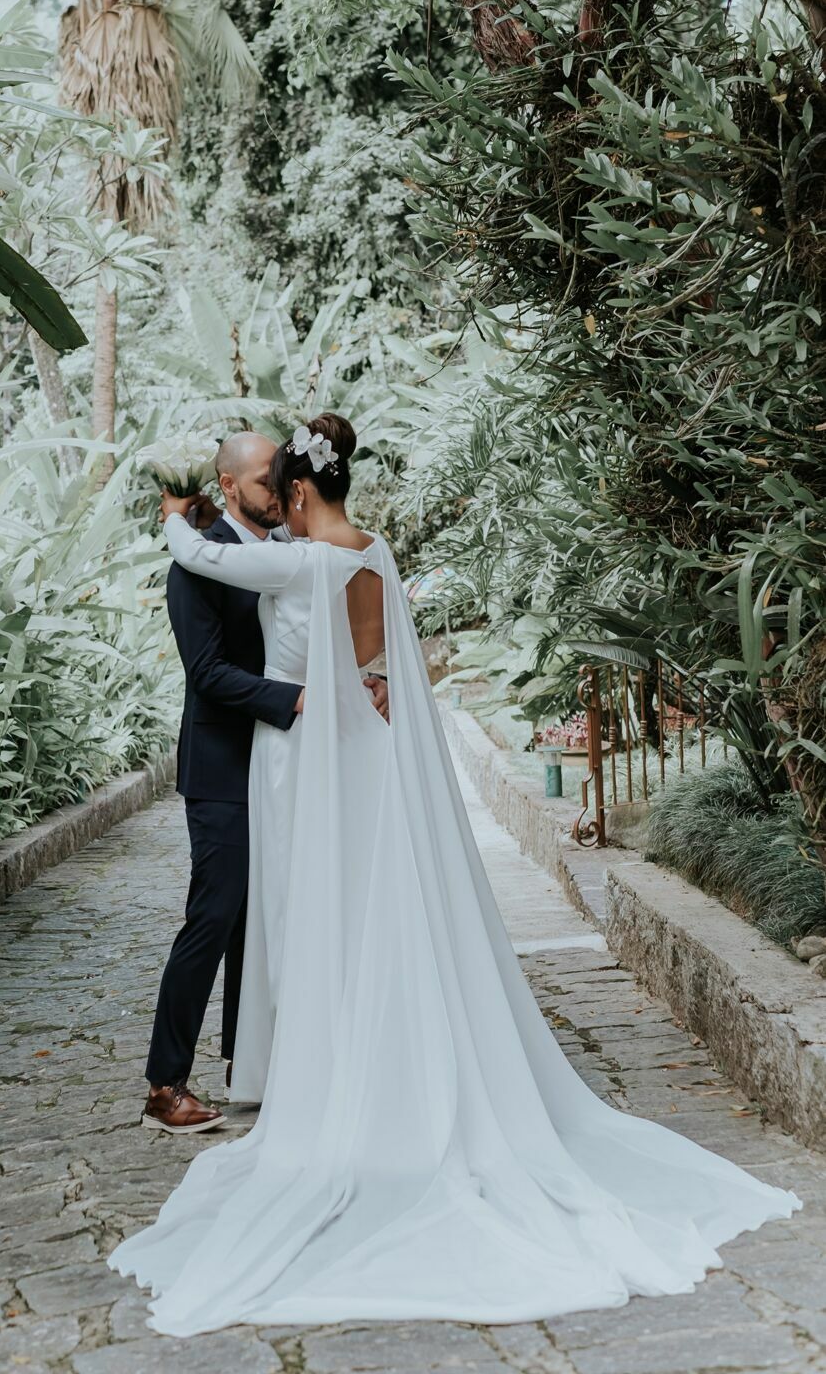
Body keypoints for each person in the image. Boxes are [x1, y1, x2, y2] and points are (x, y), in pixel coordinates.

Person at [110, 412, 800, 1335]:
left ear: (301, 491)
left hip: (310, 762)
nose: (274, 502)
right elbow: (360, 650)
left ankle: (342, 1085)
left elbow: (211, 563)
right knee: (350, 908)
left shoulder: (304, 561)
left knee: (320, 912)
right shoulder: (375, 550)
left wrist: (170, 513)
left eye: (283, 489)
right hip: (340, 764)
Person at [142, 430, 387, 1134]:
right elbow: (207, 673)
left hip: (289, 764)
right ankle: (165, 1084)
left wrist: (368, 678)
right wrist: (298, 700)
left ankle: (258, 1064)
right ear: (227, 487)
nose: (276, 491)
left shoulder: (292, 553)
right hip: (225, 762)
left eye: (280, 480)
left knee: (273, 912)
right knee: (215, 914)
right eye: (261, 481)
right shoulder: (197, 564)